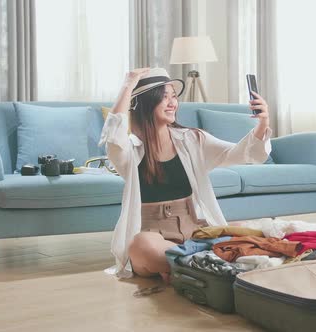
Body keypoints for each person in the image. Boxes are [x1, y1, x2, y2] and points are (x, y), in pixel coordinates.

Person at [99, 67, 272, 280]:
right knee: (142, 246)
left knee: (241, 229)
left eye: (174, 96)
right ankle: (205, 264)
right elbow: (113, 138)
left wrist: (263, 123)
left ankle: (187, 268)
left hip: (195, 231)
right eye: (164, 97)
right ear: (145, 103)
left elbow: (242, 154)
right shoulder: (129, 150)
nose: (173, 103)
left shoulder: (192, 139)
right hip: (153, 235)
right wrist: (128, 86)